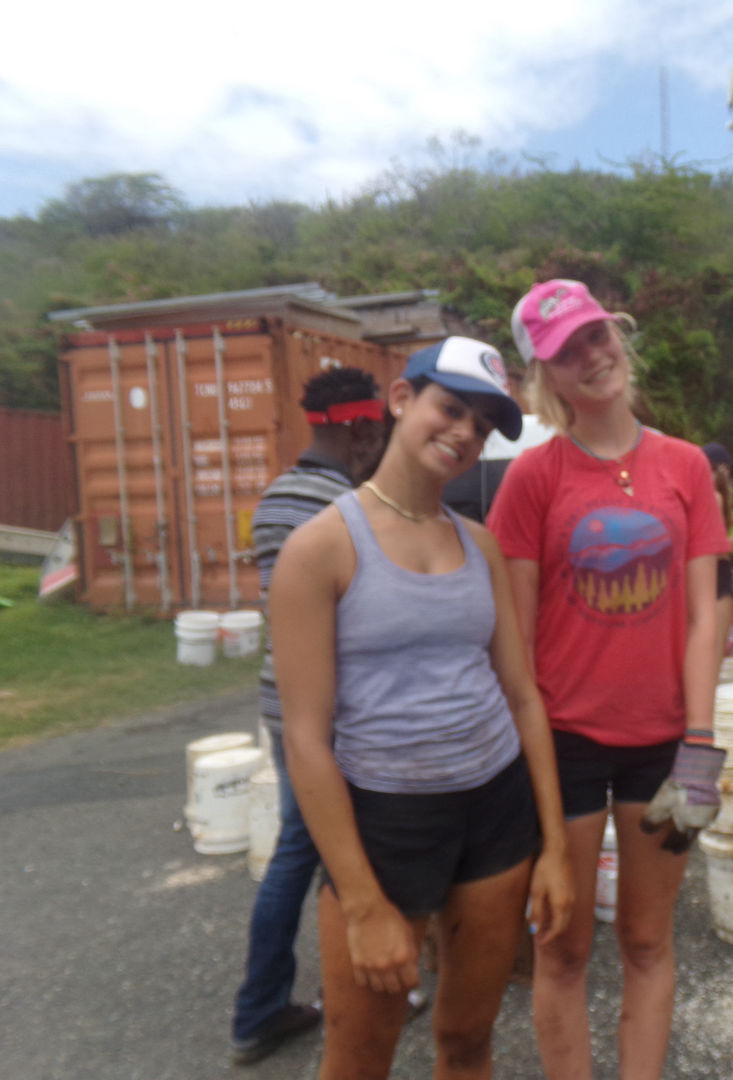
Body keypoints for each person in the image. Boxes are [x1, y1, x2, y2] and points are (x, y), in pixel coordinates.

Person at [270, 337, 573, 1080]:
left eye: (483, 424)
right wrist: (363, 902)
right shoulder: (321, 548)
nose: (465, 432)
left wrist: (556, 849)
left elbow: (522, 695)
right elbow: (306, 741)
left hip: (494, 812)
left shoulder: (479, 545)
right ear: (402, 399)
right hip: (385, 824)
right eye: (451, 408)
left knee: (468, 1038)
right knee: (359, 1058)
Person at [488, 279, 730, 1080]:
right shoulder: (533, 478)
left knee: (647, 940)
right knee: (561, 948)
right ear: (546, 378)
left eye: (597, 335)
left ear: (617, 334)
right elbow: (516, 643)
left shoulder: (686, 466)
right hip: (564, 742)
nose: (592, 357)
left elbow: (705, 618)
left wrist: (700, 745)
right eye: (568, 352)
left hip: (665, 744)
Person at [230, 366, 387, 1066]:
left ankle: (265, 1007)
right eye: (376, 431)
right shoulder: (345, 507)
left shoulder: (274, 497)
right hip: (326, 708)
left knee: (302, 845)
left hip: (279, 700)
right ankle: (328, 996)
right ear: (360, 429)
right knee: (333, 848)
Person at [702, 441, 733, 672]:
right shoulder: (713, 497)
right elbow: (715, 549)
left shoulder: (718, 499)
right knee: (714, 650)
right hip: (715, 577)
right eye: (723, 469)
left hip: (717, 576)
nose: (727, 474)